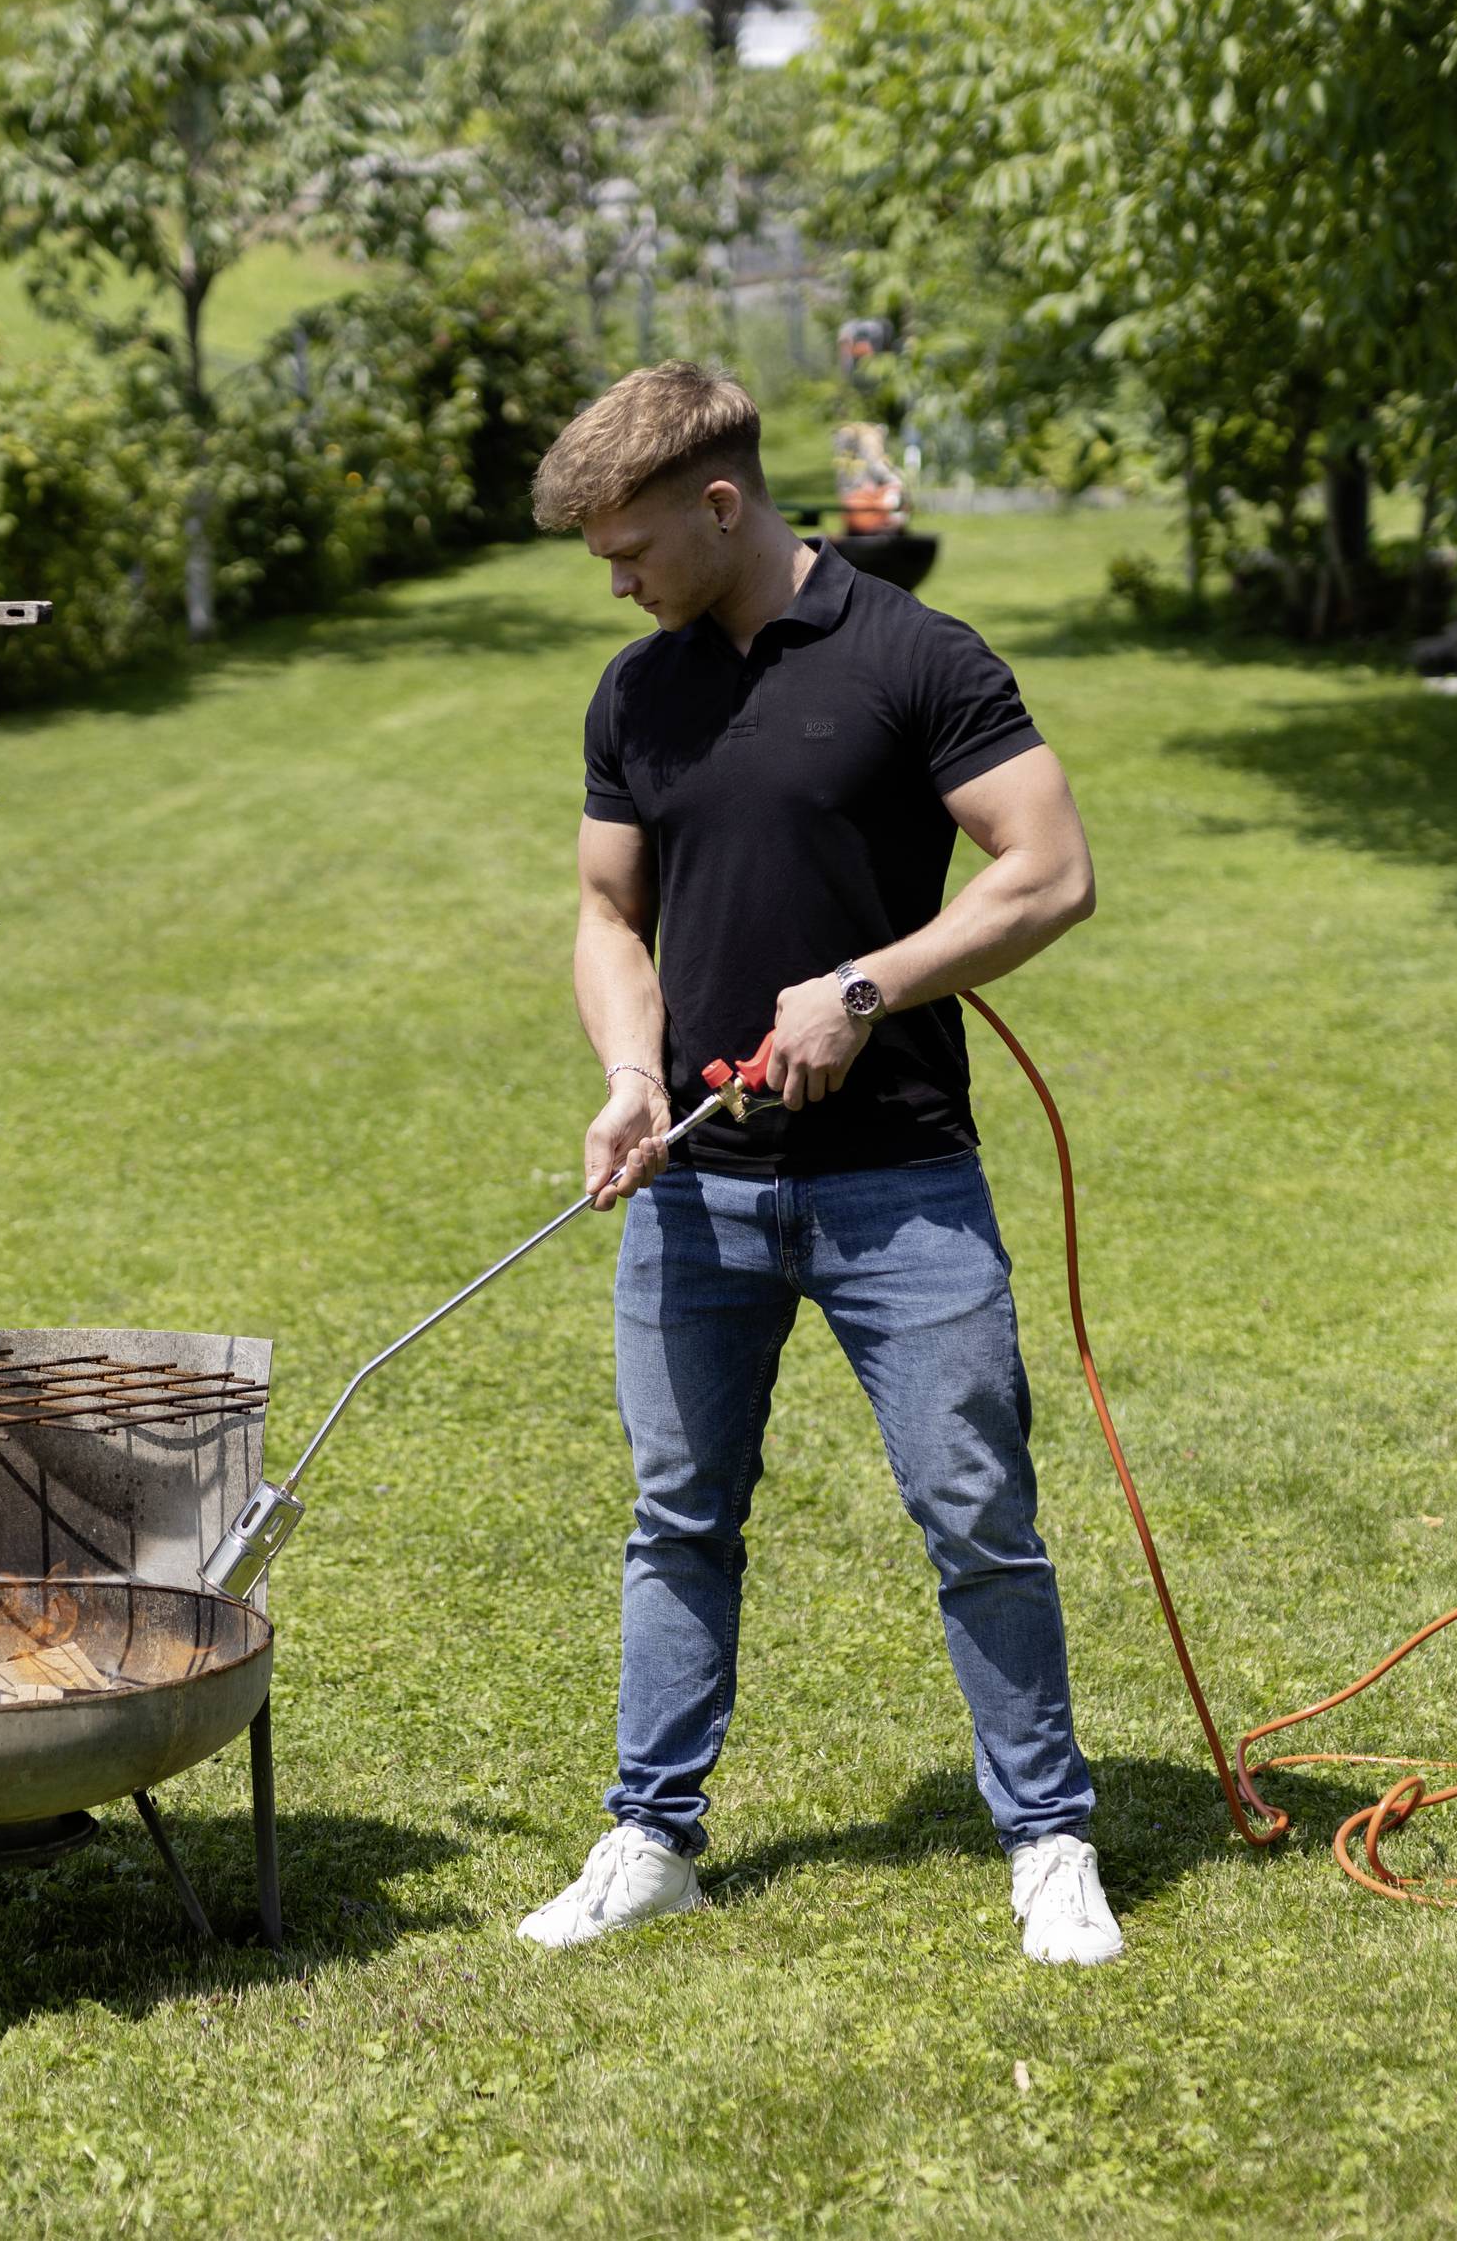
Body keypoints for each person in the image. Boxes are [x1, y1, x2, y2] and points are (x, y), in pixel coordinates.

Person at [515, 363, 1121, 1966]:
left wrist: (867, 988)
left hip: (899, 1186)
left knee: (976, 1510)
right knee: (678, 1516)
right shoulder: (636, 694)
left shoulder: (915, 660)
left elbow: (1048, 869)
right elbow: (602, 916)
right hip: (699, 1189)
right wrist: (632, 1075)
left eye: (633, 549)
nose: (620, 582)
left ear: (722, 505)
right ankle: (654, 1835)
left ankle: (1049, 1838)